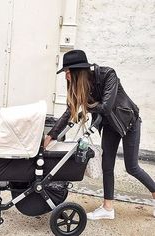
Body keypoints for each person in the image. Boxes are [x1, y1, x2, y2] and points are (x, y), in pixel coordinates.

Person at [44, 49, 155, 220]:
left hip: (129, 122)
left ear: (78, 71)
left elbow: (106, 107)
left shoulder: (108, 74)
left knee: (131, 167)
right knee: (107, 166)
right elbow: (70, 111)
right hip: (110, 125)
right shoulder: (79, 86)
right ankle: (108, 208)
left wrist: (84, 106)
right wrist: (51, 136)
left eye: (67, 72)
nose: (65, 76)